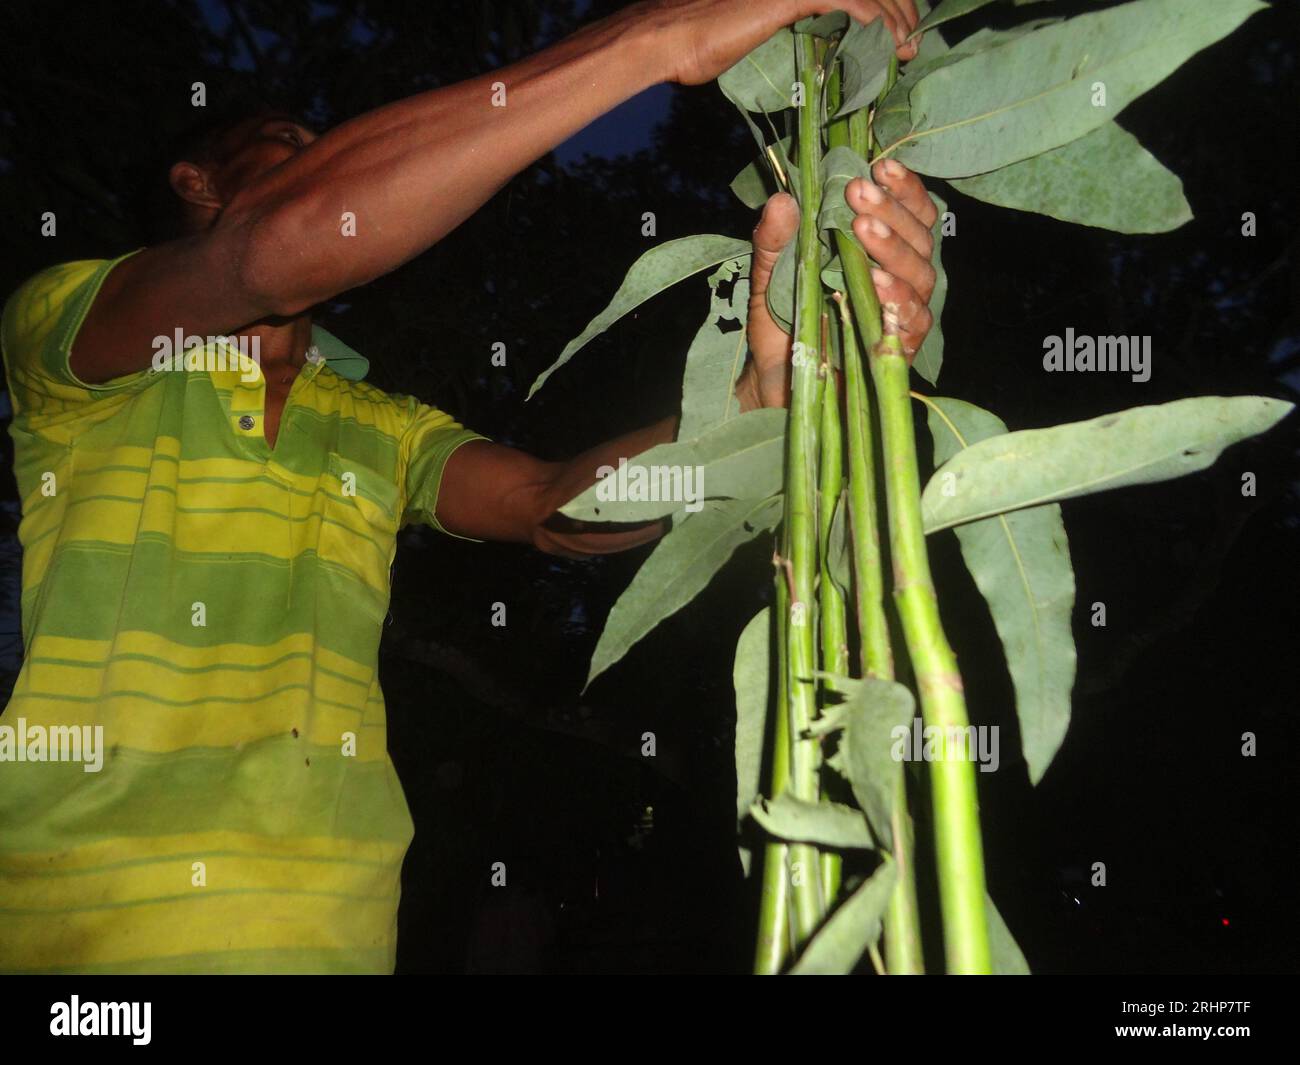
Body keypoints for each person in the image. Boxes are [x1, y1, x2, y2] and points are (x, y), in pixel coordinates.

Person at [0, 0, 939, 973]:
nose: (340, 165)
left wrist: (751, 404)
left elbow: (553, 506)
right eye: (292, 144)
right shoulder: (78, 342)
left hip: (334, 938)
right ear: (197, 182)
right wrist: (651, 41)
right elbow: (276, 245)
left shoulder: (379, 425)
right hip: (80, 933)